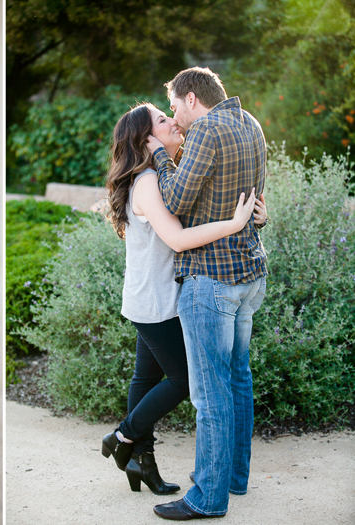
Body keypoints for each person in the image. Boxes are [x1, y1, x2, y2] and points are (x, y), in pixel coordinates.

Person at [100, 102, 267, 497]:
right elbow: (176, 239)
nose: (173, 121)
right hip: (154, 301)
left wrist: (255, 216)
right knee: (186, 379)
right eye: (162, 119)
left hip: (160, 296)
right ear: (147, 140)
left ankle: (142, 462)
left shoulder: (167, 175)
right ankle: (122, 437)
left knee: (146, 378)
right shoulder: (146, 183)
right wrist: (234, 224)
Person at [145, 67, 268, 521]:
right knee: (238, 378)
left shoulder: (205, 131)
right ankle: (233, 478)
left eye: (175, 106)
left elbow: (174, 201)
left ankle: (207, 498)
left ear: (192, 98)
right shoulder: (249, 123)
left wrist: (159, 156)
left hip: (210, 277)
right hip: (249, 274)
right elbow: (257, 204)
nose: (175, 116)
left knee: (210, 392)